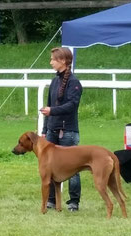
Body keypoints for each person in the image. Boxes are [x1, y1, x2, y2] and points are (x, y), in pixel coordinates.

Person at [40, 47, 83, 212]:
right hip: (51, 130)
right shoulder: (54, 81)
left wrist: (52, 111)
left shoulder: (74, 83)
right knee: (49, 167)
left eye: (53, 59)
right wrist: (45, 129)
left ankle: (74, 201)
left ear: (63, 61)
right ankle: (51, 200)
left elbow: (72, 106)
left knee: (74, 167)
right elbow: (49, 105)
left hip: (68, 132)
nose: (51, 62)